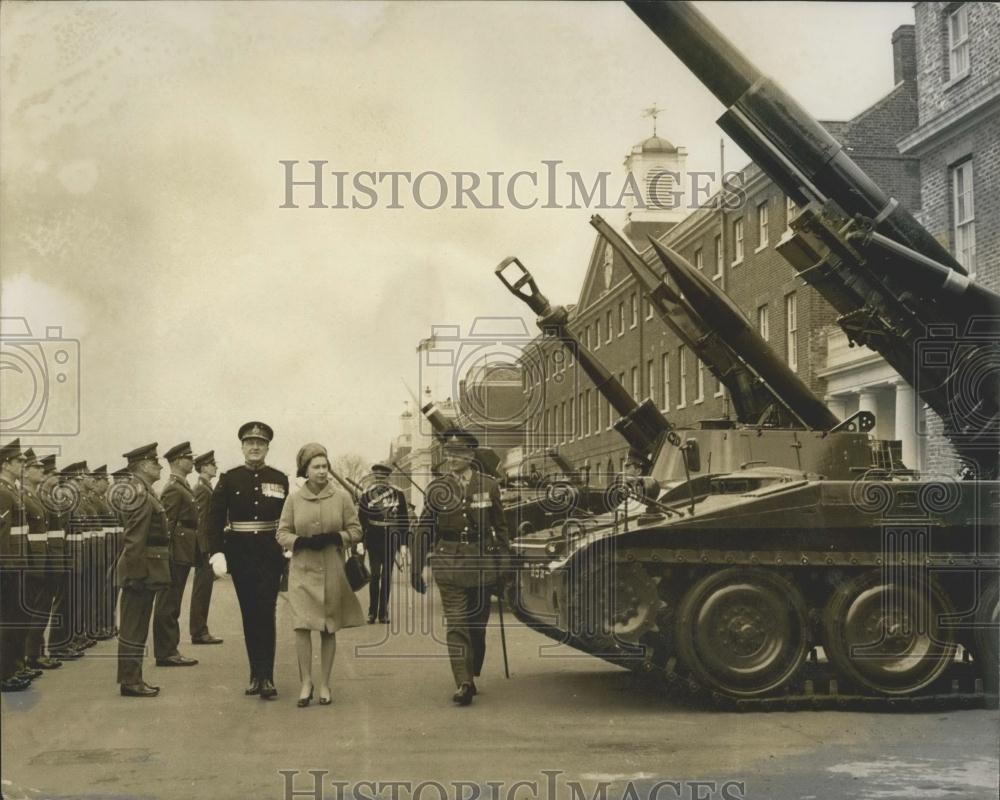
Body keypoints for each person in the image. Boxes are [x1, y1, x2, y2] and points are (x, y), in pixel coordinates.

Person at [410, 431, 509, 706]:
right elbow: (425, 529)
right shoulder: (437, 488)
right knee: (456, 623)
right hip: (449, 562)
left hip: (481, 563)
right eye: (447, 454)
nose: (450, 459)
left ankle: (472, 668)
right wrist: (416, 567)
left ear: (470, 456)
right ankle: (463, 681)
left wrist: (504, 564)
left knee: (477, 625)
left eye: (456, 454)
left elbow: (500, 527)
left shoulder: (488, 486)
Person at [276, 443, 364, 707]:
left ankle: (325, 683)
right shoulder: (293, 499)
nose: (323, 472)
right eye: (316, 467)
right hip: (302, 571)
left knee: (328, 627)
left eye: (325, 466)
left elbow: (357, 530)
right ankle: (306, 683)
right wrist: (300, 542)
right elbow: (281, 533)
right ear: (305, 470)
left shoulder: (341, 498)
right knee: (302, 627)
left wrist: (338, 536)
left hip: (332, 570)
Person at [207, 421, 288, 700]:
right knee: (249, 614)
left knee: (267, 613)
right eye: (250, 443)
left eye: (260, 443)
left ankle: (267, 676)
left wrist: (289, 546)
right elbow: (214, 518)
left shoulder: (280, 479)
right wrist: (215, 552)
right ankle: (255, 673)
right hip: (241, 555)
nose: (255, 447)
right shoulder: (229, 478)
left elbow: (288, 517)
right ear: (242, 447)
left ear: (267, 447)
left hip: (270, 554)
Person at [115, 443, 172, 697]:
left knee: (136, 626)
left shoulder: (143, 491)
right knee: (133, 627)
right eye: (155, 462)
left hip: (144, 569)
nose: (159, 466)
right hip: (140, 571)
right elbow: (135, 539)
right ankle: (130, 681)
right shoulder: (139, 494)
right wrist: (137, 575)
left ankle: (133, 678)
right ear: (144, 466)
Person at [152, 442, 200, 668]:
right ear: (179, 460)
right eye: (189, 458)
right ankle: (166, 651)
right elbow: (166, 525)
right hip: (175, 551)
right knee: (168, 602)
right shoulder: (173, 487)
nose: (192, 462)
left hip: (182, 548)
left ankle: (170, 649)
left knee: (173, 601)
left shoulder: (181, 484)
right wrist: (166, 554)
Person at [22, 449, 62, 671]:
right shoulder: (23, 496)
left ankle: (35, 653)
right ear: (25, 472)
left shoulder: (35, 496)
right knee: (32, 609)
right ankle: (31, 655)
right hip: (33, 563)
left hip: (44, 560)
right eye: (36, 467)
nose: (42, 470)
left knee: (40, 609)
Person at [358, 462, 409, 624]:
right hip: (373, 538)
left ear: (388, 477)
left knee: (387, 576)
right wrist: (360, 541)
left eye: (383, 477)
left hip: (391, 538)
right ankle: (372, 612)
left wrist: (403, 544)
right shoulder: (367, 494)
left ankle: (383, 612)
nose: (379, 480)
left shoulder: (398, 494)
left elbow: (403, 520)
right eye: (377, 477)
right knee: (375, 575)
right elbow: (361, 519)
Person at [0, 439, 32, 692]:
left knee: (16, 619)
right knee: (7, 621)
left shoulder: (12, 490)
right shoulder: (2, 492)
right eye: (19, 461)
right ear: (6, 464)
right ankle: (5, 674)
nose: (23, 464)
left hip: (18, 564)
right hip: (8, 567)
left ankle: (13, 669)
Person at [190, 450, 222, 645]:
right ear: (203, 468)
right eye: (212, 464)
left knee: (204, 589)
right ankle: (199, 631)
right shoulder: (202, 489)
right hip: (204, 548)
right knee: (202, 590)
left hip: (205, 546)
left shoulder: (205, 487)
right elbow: (201, 521)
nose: (215, 467)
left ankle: (200, 629)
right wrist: (204, 549)